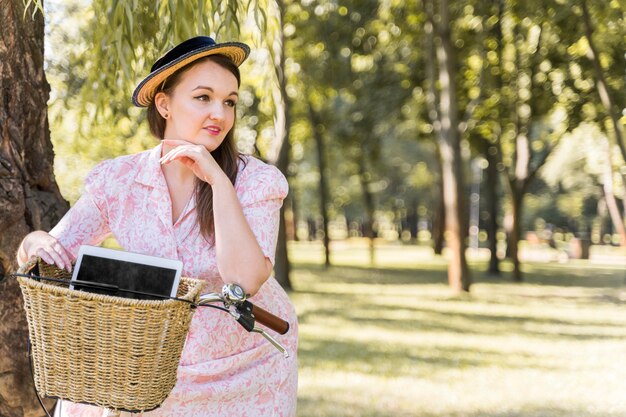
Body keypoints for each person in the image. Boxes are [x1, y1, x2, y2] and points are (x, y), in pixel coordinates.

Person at [16, 36, 298, 417]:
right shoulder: (120, 180)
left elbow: (245, 280)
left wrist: (218, 182)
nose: (220, 113)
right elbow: (54, 251)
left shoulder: (258, 182)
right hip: (152, 367)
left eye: (229, 101)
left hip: (243, 367)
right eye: (203, 97)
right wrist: (34, 241)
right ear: (164, 104)